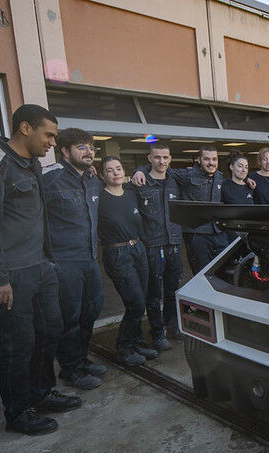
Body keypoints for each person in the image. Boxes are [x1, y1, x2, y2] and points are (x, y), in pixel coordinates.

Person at [0, 104, 77, 436]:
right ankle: (18, 412)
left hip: (39, 267)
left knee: (49, 331)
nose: (52, 142)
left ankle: (41, 394)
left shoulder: (30, 165)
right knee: (19, 343)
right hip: (9, 274)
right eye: (49, 135)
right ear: (25, 128)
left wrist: (49, 261)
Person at [41, 128, 105, 390]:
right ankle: (71, 368)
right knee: (70, 316)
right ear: (64, 151)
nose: (88, 151)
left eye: (91, 147)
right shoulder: (50, 179)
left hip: (89, 256)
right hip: (64, 260)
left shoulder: (91, 179)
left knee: (91, 310)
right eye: (81, 147)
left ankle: (81, 357)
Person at [97, 156, 160, 363]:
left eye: (118, 168)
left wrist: (141, 169)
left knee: (141, 301)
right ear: (102, 175)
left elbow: (151, 172)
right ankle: (124, 348)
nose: (115, 173)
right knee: (135, 303)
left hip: (138, 249)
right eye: (109, 170)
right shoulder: (99, 198)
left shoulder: (132, 193)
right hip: (117, 254)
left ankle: (136, 342)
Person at [133, 145, 227, 275]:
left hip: (218, 232)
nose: (211, 163)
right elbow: (160, 167)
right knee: (202, 274)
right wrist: (139, 170)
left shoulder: (219, 176)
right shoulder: (186, 175)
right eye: (206, 159)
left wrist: (247, 179)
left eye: (214, 159)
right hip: (197, 234)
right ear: (199, 160)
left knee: (224, 270)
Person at [135, 143, 184, 350]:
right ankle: (157, 332)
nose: (161, 161)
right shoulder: (141, 183)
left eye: (165, 157)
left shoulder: (176, 180)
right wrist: (138, 171)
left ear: (170, 159)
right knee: (153, 293)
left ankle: (172, 325)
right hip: (153, 246)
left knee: (173, 289)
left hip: (174, 243)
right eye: (157, 157)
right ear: (149, 159)